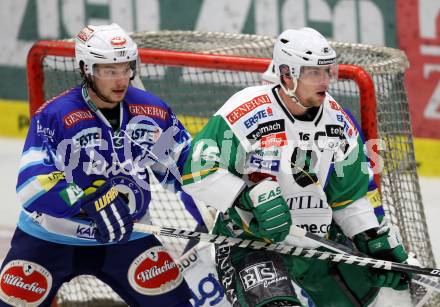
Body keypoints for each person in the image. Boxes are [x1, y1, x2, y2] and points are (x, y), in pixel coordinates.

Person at [181, 27, 410, 306]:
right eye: (314, 72)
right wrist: (244, 196)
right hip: (251, 244)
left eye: (328, 71)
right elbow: (195, 172)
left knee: (390, 297)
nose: (325, 80)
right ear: (288, 74)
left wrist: (369, 237)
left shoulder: (338, 122)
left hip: (315, 243)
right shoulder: (245, 111)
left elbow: (347, 197)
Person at [0, 23, 193, 307]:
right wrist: (86, 198)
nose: (120, 80)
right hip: (50, 238)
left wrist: (220, 195)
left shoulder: (152, 111)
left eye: (126, 68)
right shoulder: (54, 116)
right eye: (108, 70)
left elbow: (181, 166)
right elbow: (31, 185)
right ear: (86, 68)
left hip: (127, 234)